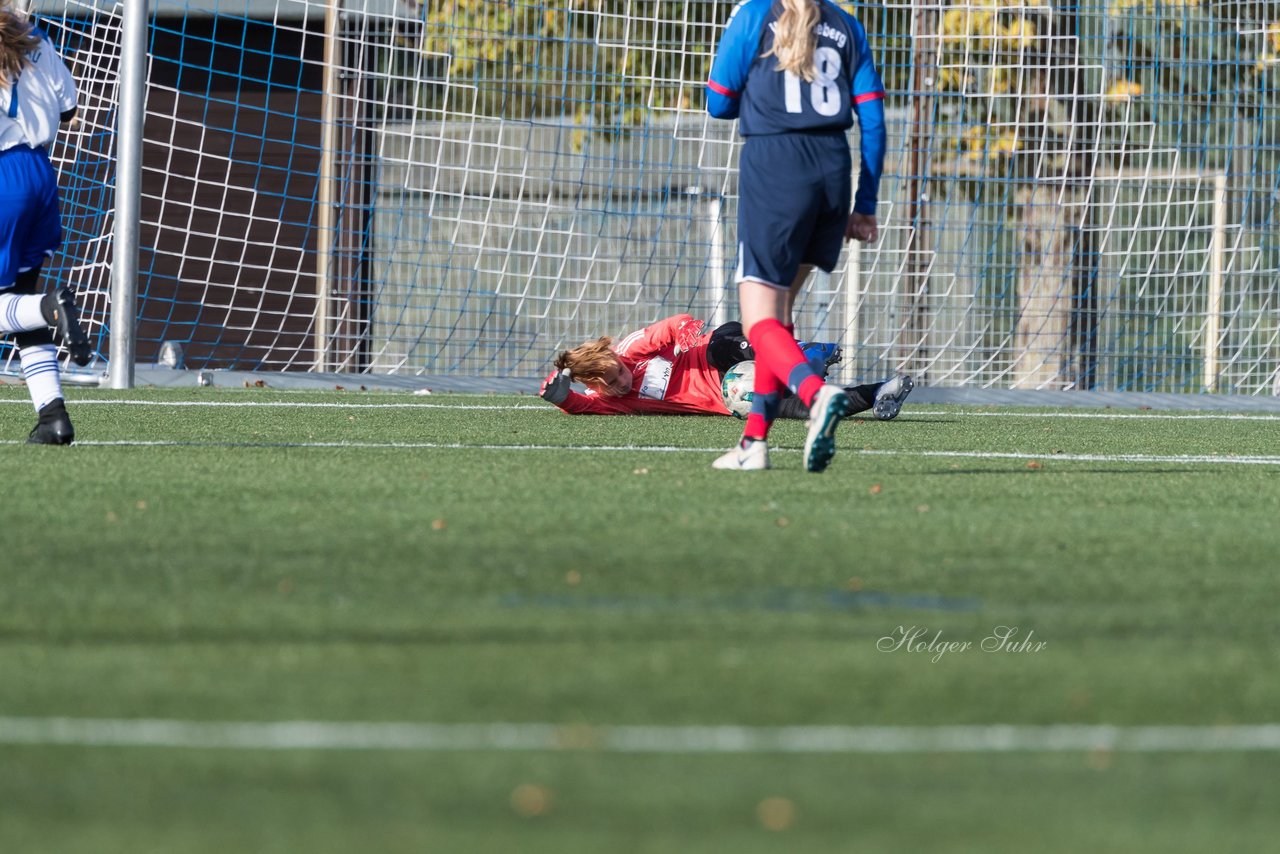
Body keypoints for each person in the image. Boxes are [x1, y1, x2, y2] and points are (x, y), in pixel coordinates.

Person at [706, 0, 887, 471]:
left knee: (757, 323)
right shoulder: (848, 25)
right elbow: (872, 119)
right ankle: (753, 445)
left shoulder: (753, 15)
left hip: (776, 167)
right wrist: (864, 204)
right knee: (779, 316)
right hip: (832, 169)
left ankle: (817, 393)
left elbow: (718, 102)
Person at [0, 4, 91, 444]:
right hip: (40, 175)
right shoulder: (38, 40)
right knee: (15, 304)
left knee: (26, 307)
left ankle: (49, 308)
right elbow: (72, 110)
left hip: (3, 178)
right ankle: (53, 417)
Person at [538, 313, 912, 420]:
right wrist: (562, 398)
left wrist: (686, 333)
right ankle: (879, 393)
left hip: (717, 353)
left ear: (617, 357)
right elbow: (582, 405)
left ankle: (806, 350)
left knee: (723, 344)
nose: (622, 383)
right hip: (731, 397)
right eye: (612, 385)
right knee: (806, 408)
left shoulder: (632, 350)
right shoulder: (608, 398)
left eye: (619, 372)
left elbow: (670, 326)